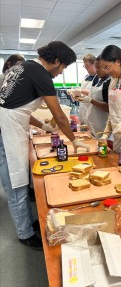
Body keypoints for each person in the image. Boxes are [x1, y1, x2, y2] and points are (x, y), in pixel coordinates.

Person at [0, 41, 90, 250]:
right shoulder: (41, 74)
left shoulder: (24, 67)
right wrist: (74, 141)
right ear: (56, 61)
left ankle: (29, 222)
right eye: (63, 67)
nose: (61, 73)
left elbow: (17, 108)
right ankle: (25, 234)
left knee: (21, 184)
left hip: (8, 127)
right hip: (6, 134)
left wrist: (43, 126)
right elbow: (59, 114)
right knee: (16, 187)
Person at [77, 55, 111, 137]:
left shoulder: (110, 82)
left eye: (99, 68)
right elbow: (92, 94)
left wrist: (90, 100)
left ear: (107, 67)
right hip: (92, 123)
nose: (97, 70)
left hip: (103, 124)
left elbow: (109, 107)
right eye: (96, 67)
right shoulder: (97, 78)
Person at [67, 54, 99, 126]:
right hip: (83, 110)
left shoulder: (99, 78)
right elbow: (82, 94)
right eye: (85, 66)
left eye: (88, 66)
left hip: (93, 110)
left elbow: (94, 93)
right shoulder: (86, 77)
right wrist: (75, 95)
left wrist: (80, 90)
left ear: (94, 64)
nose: (86, 68)